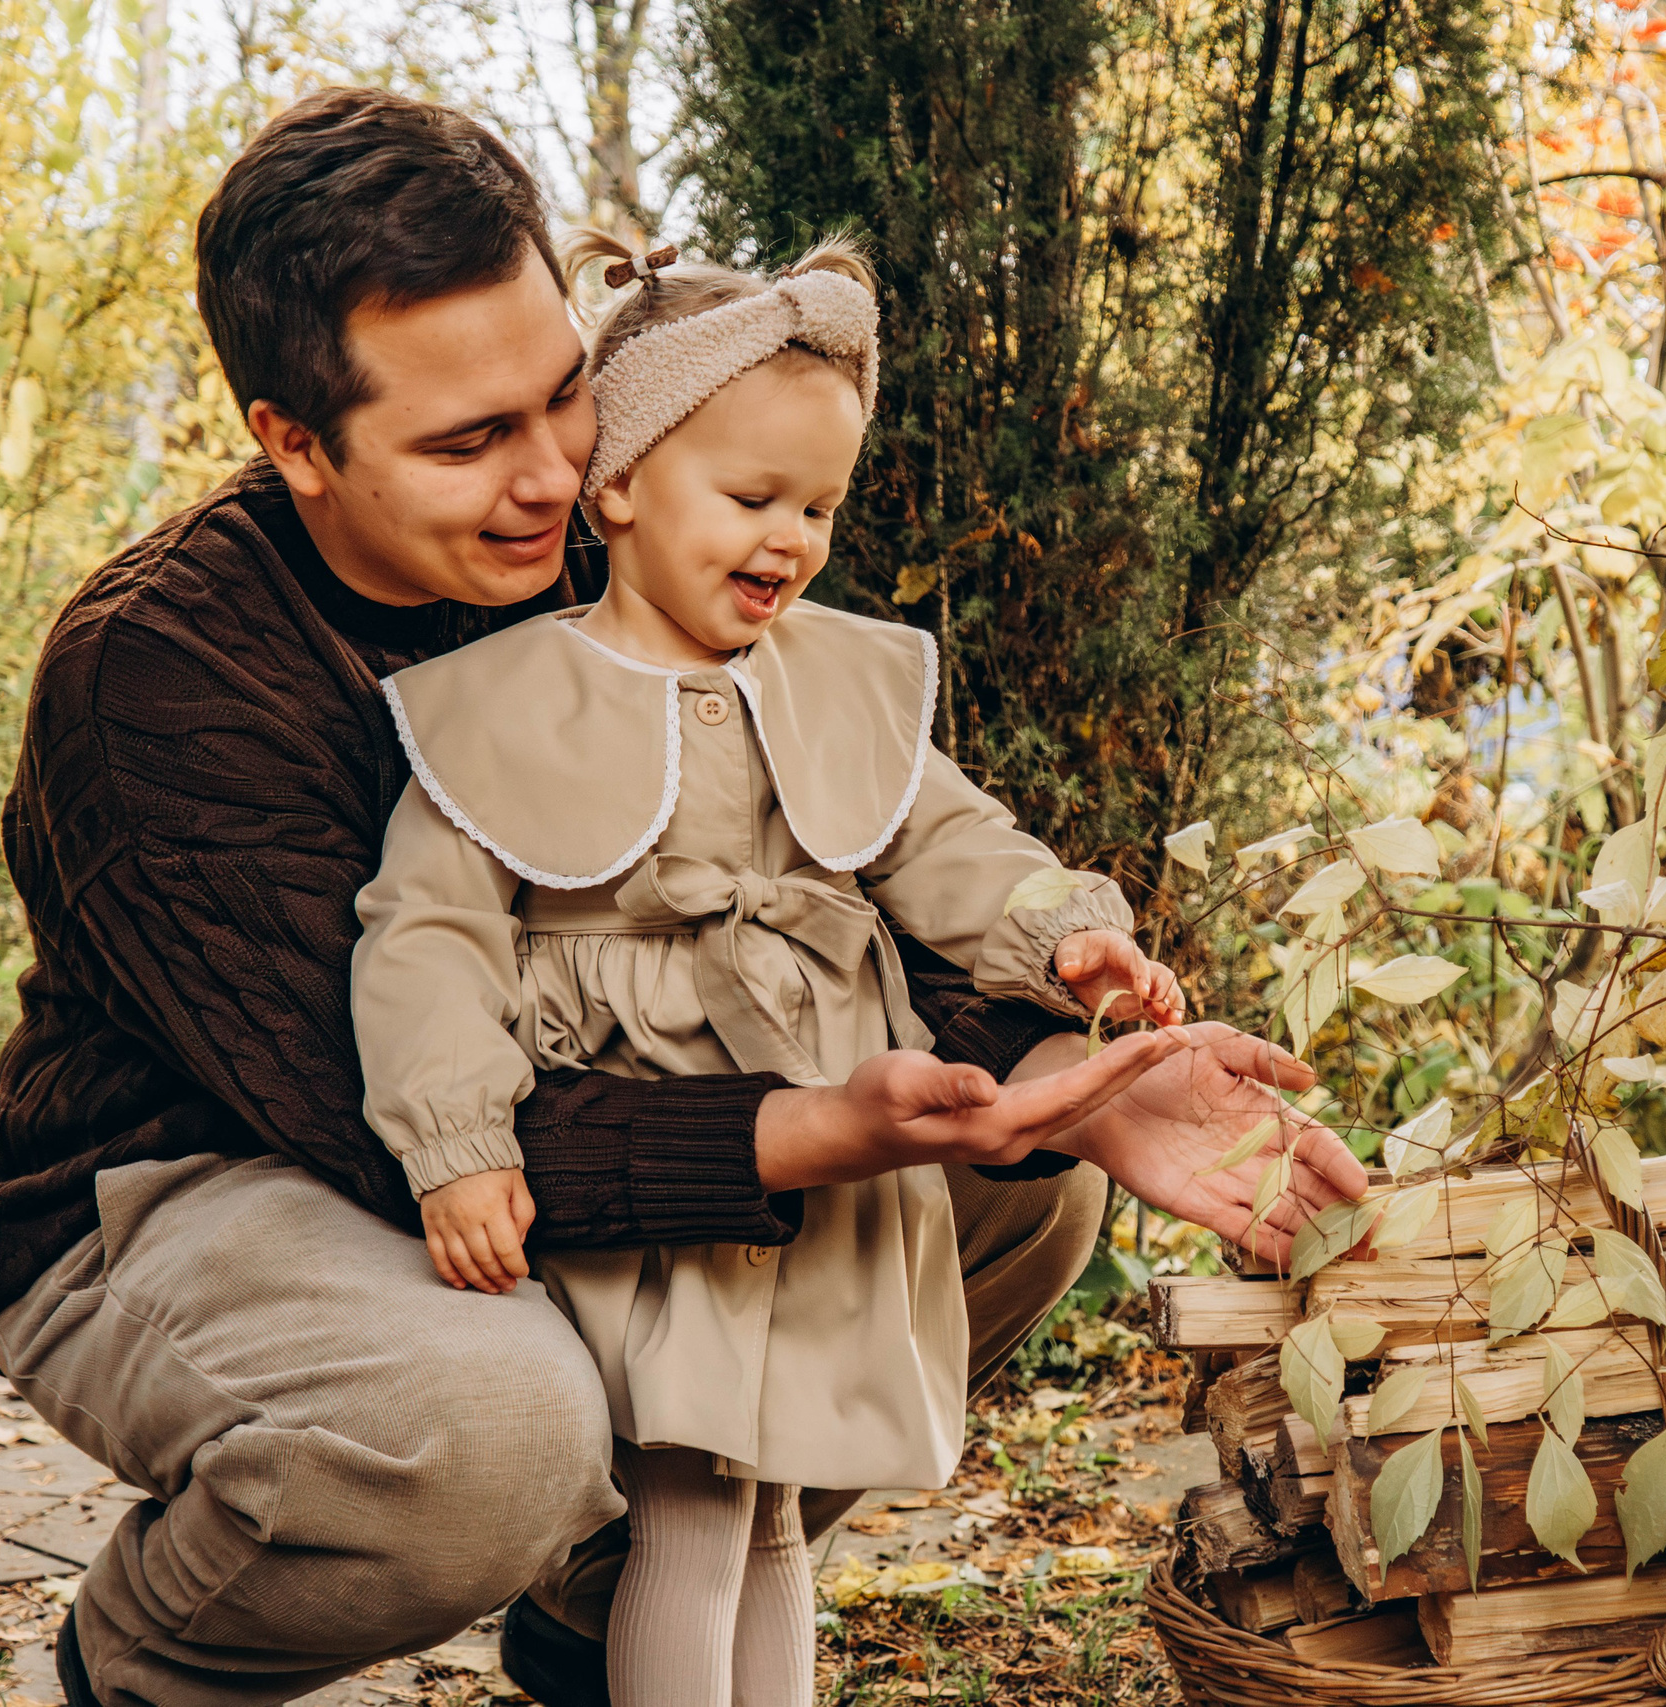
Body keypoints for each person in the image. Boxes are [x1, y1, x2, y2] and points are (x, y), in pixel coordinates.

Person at [0, 84, 1367, 1707]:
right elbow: (371, 1110)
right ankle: (136, 1663)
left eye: (563, 396)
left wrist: (1060, 1069)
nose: (555, 474)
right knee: (494, 1425)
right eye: (469, 441)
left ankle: (610, 1620)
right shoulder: (163, 674)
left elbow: (842, 860)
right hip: (207, 1162)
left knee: (1024, 1185)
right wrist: (817, 1131)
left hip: (594, 1098)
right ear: (294, 443)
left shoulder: (634, 518)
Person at [351, 228, 1192, 1707]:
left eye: (817, 507)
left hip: (825, 1155)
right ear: (614, 485)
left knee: (775, 1505)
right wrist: (459, 1140)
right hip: (666, 1165)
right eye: (750, 497)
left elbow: (943, 838)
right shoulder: (506, 708)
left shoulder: (832, 679)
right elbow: (426, 942)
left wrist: (1060, 927)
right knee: (690, 1502)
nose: (790, 540)